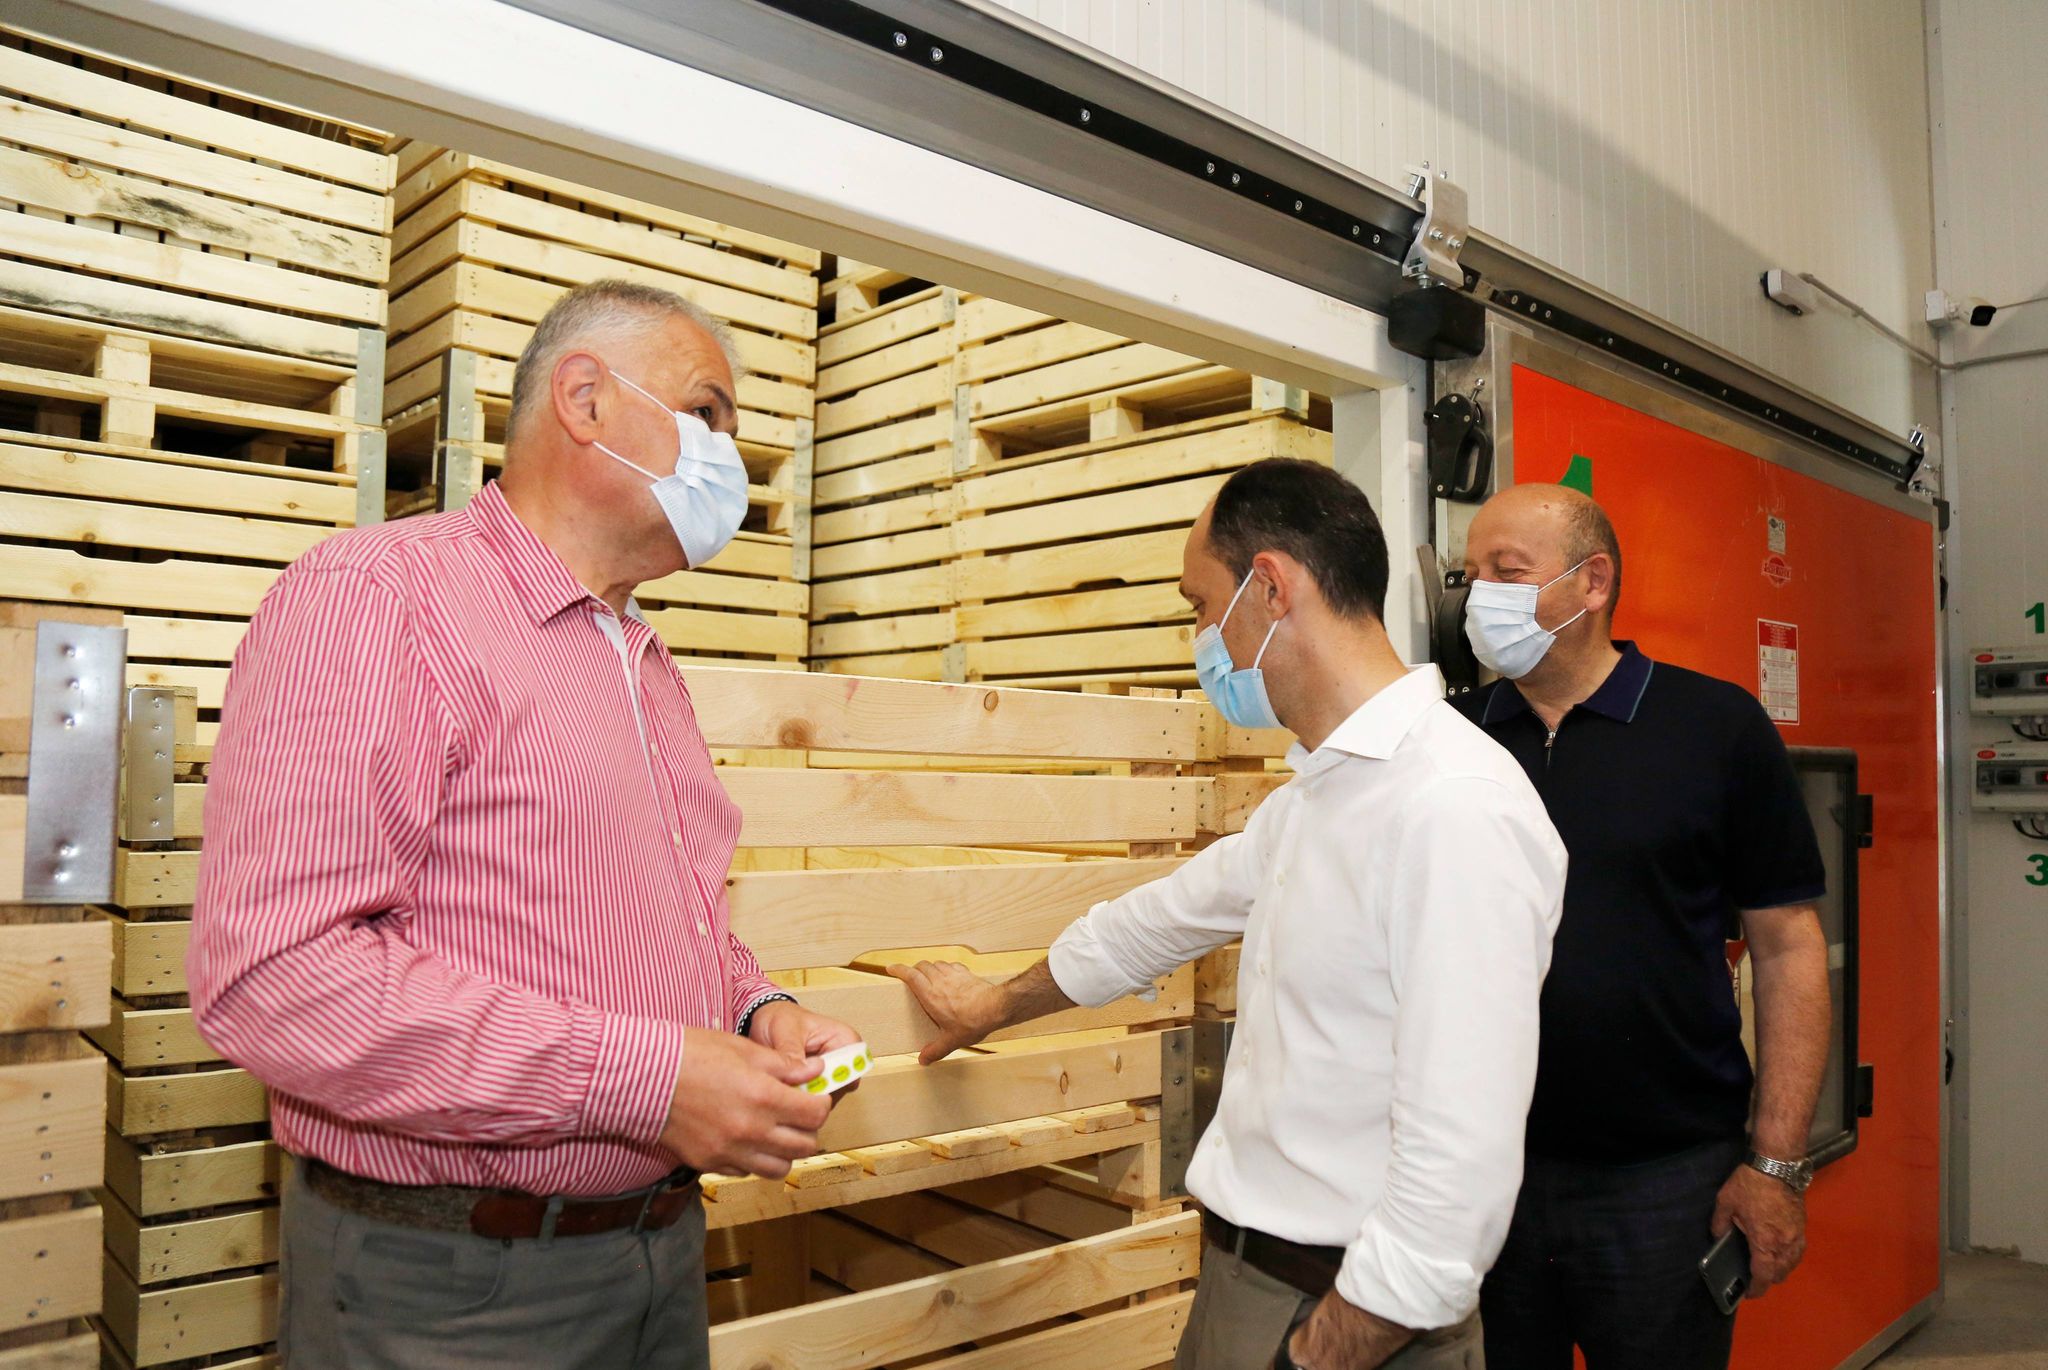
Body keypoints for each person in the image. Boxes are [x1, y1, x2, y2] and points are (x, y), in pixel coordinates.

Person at [190, 280, 859, 1369]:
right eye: (707, 413)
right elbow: (276, 975)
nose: (729, 458)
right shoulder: (382, 599)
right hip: (455, 1288)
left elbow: (658, 914)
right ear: (585, 400)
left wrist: (755, 1010)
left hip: (657, 1250)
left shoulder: (640, 659)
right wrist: (650, 1080)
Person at [891, 459, 1567, 1370]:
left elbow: (1458, 1174)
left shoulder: (1452, 807)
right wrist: (993, 1005)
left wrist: (1314, 1357)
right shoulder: (1319, 798)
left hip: (1349, 1321)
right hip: (1248, 1286)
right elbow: (1154, 923)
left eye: (1201, 605)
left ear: (1272, 588)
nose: (1201, 637)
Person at [1455, 483, 1831, 1370]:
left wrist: (1775, 1165)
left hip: (1666, 1184)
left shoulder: (1715, 727)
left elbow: (1787, 948)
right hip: (1477, 1174)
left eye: (1508, 572)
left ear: (1594, 583)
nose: (1480, 598)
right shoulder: (1451, 739)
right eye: (1471, 577)